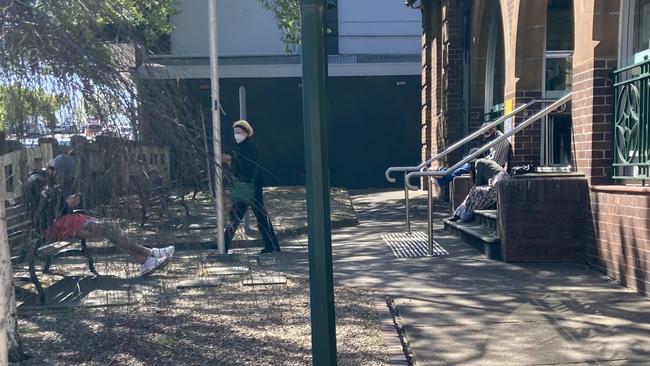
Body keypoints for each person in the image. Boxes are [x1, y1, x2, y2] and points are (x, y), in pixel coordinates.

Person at [27, 154, 174, 276]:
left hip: (63, 222)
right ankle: (147, 257)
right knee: (106, 227)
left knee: (109, 225)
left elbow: (54, 206)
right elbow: (42, 211)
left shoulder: (50, 181)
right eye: (64, 176)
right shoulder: (36, 181)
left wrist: (69, 204)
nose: (63, 180)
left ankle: (148, 256)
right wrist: (66, 204)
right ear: (57, 170)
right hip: (51, 228)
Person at [224, 120, 280, 254]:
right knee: (248, 216)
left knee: (240, 216)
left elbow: (246, 166)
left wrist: (230, 160)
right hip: (246, 186)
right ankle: (272, 245)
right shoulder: (240, 148)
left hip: (250, 186)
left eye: (239, 132)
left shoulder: (249, 148)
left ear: (246, 133)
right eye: (235, 133)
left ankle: (223, 244)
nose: (236, 135)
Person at [435, 122, 511, 186]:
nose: (485, 137)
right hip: (487, 164)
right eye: (483, 134)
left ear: (493, 129)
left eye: (487, 133)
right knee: (467, 160)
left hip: (494, 169)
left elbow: (494, 161)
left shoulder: (499, 140)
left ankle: (442, 177)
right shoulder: (493, 137)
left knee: (466, 166)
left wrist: (477, 160)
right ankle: (443, 173)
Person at [448, 157, 510, 222]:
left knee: (474, 191)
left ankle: (461, 214)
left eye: (469, 164)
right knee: (475, 192)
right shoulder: (486, 162)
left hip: (499, 182)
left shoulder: (479, 162)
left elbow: (478, 182)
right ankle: (461, 214)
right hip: (502, 182)